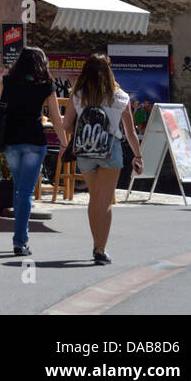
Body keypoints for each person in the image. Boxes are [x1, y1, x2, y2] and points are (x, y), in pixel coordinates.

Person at [62, 53, 143, 264]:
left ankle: (96, 243)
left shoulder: (78, 95)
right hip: (110, 150)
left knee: (93, 198)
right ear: (109, 71)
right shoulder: (120, 97)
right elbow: (130, 131)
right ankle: (100, 249)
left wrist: (84, 129)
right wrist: (138, 155)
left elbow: (66, 125)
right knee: (105, 200)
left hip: (85, 151)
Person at [0, 47, 69, 256]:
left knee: (18, 189)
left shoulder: (10, 82)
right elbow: (56, 118)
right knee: (26, 191)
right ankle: (20, 241)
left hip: (11, 140)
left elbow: (1, 109)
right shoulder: (46, 85)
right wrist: (65, 143)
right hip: (34, 140)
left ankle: (19, 236)